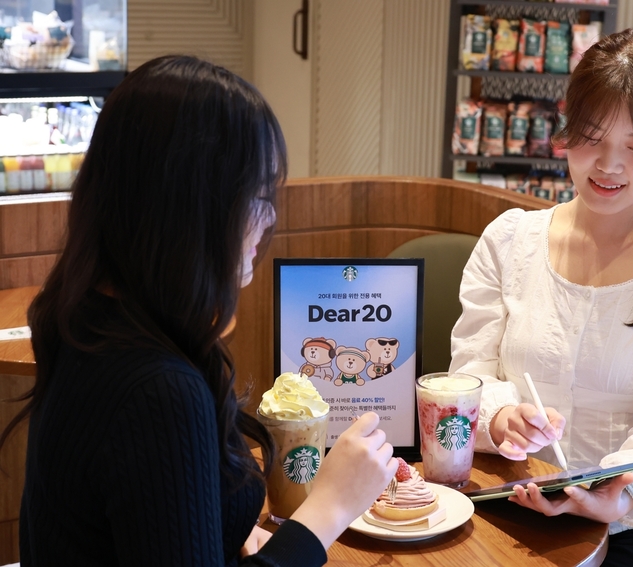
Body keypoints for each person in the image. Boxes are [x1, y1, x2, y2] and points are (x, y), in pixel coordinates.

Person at [0, 55, 398, 566]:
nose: (267, 220)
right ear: (193, 210)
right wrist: (331, 506)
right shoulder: (158, 391)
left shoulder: (85, 319)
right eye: (257, 195)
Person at [449, 29, 633, 566]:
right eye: (591, 137)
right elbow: (469, 376)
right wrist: (500, 417)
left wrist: (618, 496)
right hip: (514, 498)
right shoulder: (509, 241)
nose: (608, 165)